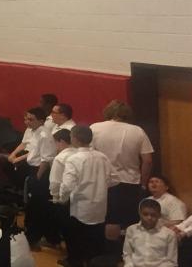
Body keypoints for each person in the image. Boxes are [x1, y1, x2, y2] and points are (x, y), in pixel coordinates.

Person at [91, 100, 154, 240]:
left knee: (108, 218)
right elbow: (148, 160)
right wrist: (143, 183)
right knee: (128, 219)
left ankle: (109, 253)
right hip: (130, 181)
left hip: (102, 180)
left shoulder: (95, 128)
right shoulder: (137, 131)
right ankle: (126, 252)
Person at [59, 125, 116, 267]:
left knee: (76, 238)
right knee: (96, 238)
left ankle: (75, 261)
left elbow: (67, 185)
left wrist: (62, 198)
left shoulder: (74, 159)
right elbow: (115, 178)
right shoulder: (102, 156)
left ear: (75, 139)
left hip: (81, 205)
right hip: (100, 204)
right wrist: (101, 186)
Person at [8, 107, 57, 249]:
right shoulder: (31, 131)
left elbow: (45, 160)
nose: (26, 122)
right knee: (31, 205)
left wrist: (37, 177)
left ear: (41, 121)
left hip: (40, 172)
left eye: (31, 119)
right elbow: (28, 148)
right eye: (26, 118)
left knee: (38, 207)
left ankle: (34, 237)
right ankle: (30, 233)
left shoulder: (44, 135)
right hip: (32, 168)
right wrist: (14, 156)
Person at [122, 198, 177, 267]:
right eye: (145, 214)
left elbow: (171, 261)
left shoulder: (169, 234)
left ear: (159, 215)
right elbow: (127, 254)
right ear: (140, 213)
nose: (149, 218)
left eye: (153, 215)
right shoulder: (131, 230)